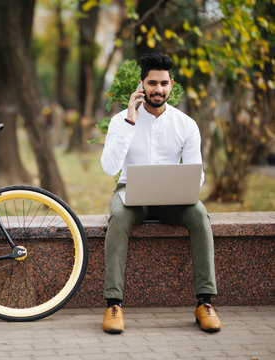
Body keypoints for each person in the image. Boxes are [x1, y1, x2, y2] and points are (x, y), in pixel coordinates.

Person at [100, 52, 221, 334]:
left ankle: (205, 302)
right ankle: (113, 304)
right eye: (152, 83)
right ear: (141, 85)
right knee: (117, 218)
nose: (158, 89)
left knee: (200, 216)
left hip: (172, 196)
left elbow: (197, 171)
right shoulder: (121, 121)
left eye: (164, 83)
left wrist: (186, 184)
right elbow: (109, 168)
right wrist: (131, 121)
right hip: (131, 193)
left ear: (171, 84)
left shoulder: (186, 124)